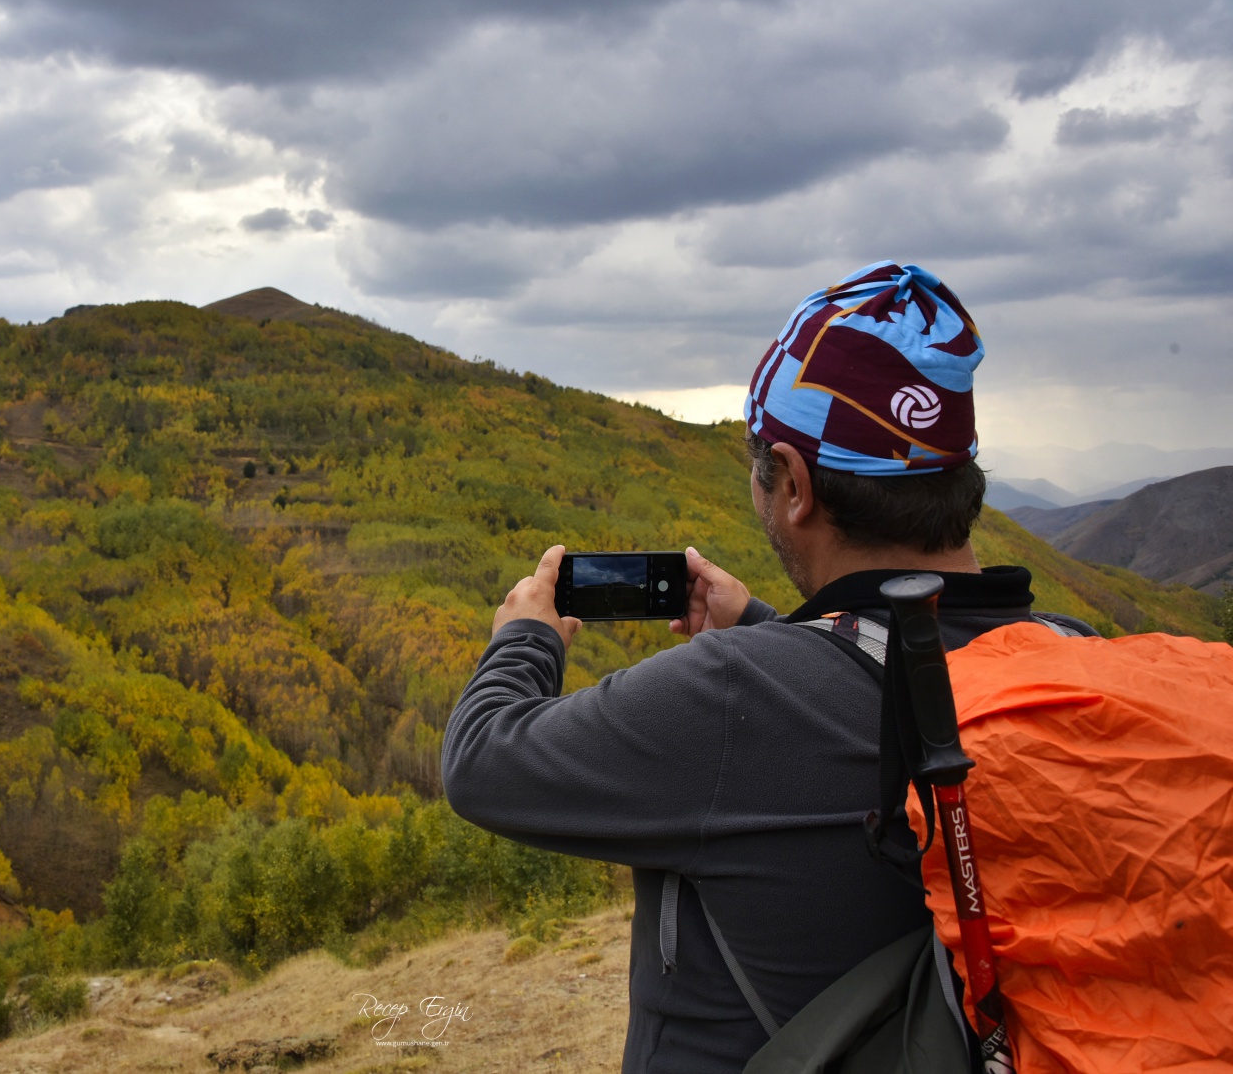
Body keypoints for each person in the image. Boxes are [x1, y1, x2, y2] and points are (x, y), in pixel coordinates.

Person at [441, 261, 1094, 1073]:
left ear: (794, 485)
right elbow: (888, 690)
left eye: (760, 468)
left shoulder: (731, 695)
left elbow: (481, 763)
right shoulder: (1075, 656)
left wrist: (524, 639)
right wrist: (772, 626)